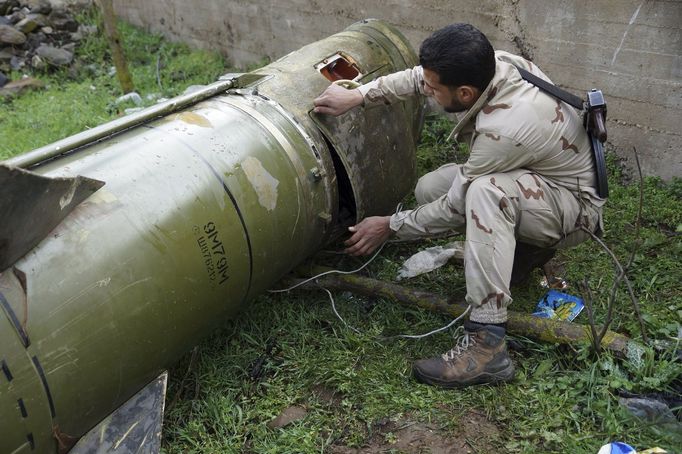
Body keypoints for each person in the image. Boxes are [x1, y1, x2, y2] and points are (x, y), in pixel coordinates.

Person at [313, 23, 605, 388]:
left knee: (485, 193)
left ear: (465, 94)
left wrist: (390, 226)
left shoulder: (504, 129)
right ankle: (523, 254)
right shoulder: (494, 65)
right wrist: (359, 96)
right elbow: (420, 78)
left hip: (575, 211)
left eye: (436, 90)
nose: (428, 92)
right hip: (540, 175)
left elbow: (455, 208)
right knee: (429, 188)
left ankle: (487, 345)